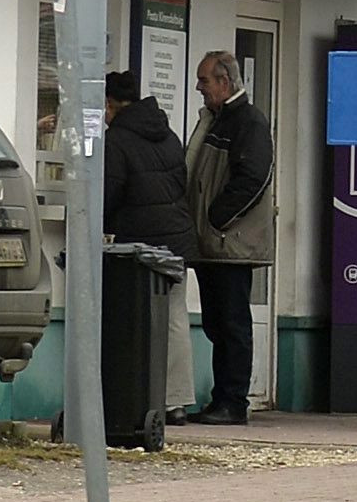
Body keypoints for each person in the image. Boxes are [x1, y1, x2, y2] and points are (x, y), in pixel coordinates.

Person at [178, 53, 273, 425]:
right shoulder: (219, 120)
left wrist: (216, 218)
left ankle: (233, 402)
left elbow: (253, 178)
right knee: (219, 324)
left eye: (204, 80)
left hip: (229, 243)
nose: (199, 87)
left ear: (225, 82)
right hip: (213, 243)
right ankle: (223, 399)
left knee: (232, 324)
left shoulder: (247, 121)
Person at [100, 71, 195, 249]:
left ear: (107, 103)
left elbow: (107, 195)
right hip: (181, 240)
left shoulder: (115, 140)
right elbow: (182, 181)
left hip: (143, 244)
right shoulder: (168, 134)